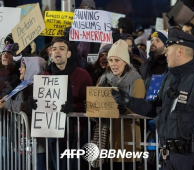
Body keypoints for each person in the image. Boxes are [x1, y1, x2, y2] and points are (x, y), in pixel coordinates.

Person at [111, 28, 194, 170]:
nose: (166, 53)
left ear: (180, 51)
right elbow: (155, 108)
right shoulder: (169, 77)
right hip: (167, 157)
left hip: (191, 160)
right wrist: (129, 101)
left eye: (168, 49)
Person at [40, 38, 93, 170]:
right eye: (54, 49)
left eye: (62, 48)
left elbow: (89, 102)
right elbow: (42, 101)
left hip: (77, 131)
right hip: (54, 131)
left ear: (68, 54)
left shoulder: (82, 75)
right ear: (50, 54)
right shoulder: (45, 75)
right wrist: (35, 104)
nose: (57, 51)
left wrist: (74, 107)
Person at [97, 39, 146, 170]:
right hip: (106, 139)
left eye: (117, 60)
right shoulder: (103, 79)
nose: (113, 64)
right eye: (111, 60)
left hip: (127, 138)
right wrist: (92, 109)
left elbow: (140, 106)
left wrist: (126, 110)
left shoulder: (136, 81)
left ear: (125, 61)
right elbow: (96, 106)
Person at [1, 57, 47, 170]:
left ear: (32, 68)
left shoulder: (37, 87)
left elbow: (26, 106)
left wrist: (6, 104)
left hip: (34, 139)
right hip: (21, 137)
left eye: (23, 67)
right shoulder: (23, 85)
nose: (20, 69)